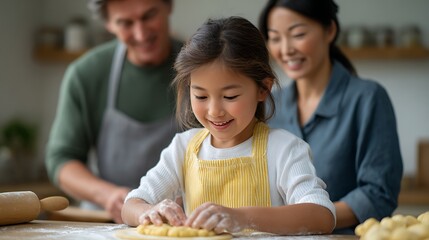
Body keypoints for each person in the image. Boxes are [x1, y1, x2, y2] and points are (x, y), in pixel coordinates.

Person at [121, 16, 336, 235]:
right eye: (201, 96)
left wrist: (241, 217)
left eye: (230, 96)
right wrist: (149, 211)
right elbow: (131, 205)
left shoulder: (284, 149)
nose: (214, 111)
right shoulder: (184, 148)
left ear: (263, 88)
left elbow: (321, 215)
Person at [259, 0, 403, 234]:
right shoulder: (267, 105)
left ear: (330, 30)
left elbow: (378, 194)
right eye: (275, 38)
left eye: (298, 34)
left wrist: (310, 219)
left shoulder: (368, 98)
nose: (285, 49)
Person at [45, 0, 182, 223]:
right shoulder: (87, 73)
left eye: (149, 16)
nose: (140, 33)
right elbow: (61, 159)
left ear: (168, 6)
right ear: (109, 24)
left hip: (181, 221)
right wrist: (109, 195)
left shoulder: (199, 68)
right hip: (106, 221)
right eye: (126, 23)